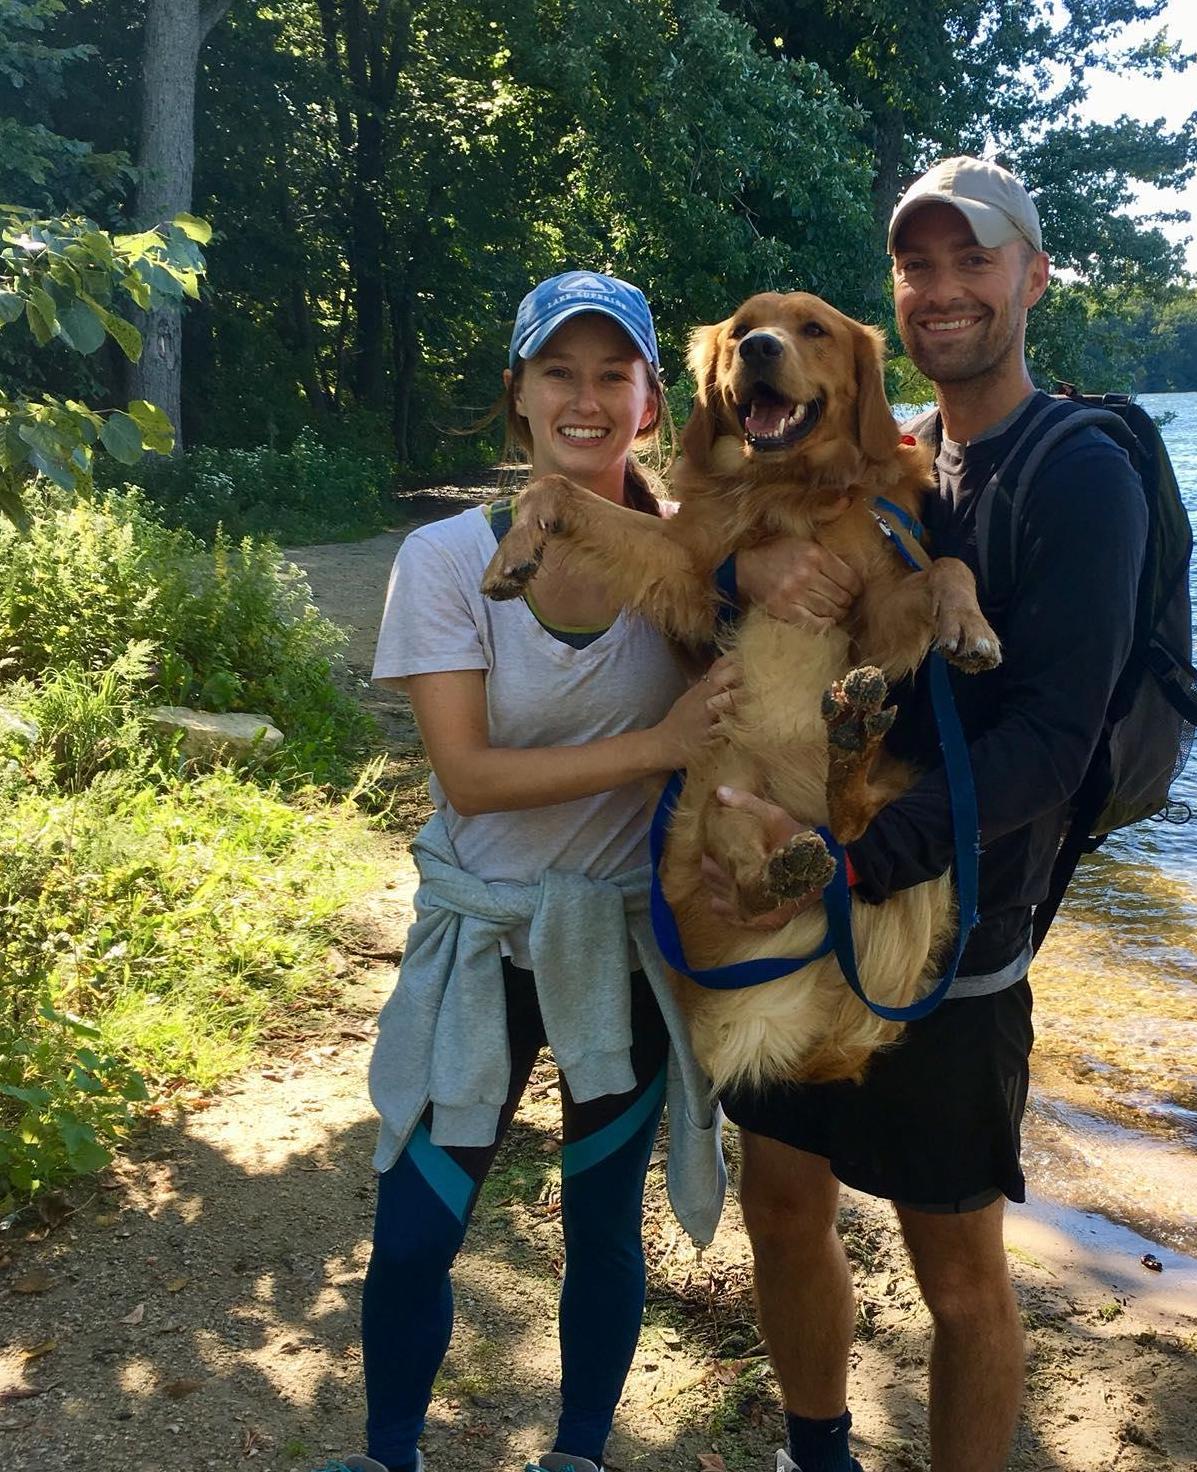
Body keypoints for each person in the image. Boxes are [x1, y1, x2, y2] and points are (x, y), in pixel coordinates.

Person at [713, 157, 1150, 1472]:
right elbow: (754, 579)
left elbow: (1054, 748)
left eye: (974, 259)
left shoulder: (1080, 476)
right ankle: (815, 1452)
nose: (943, 289)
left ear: (1034, 276)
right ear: (893, 292)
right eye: (917, 265)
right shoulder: (900, 457)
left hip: (956, 936)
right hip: (819, 897)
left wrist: (859, 860)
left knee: (955, 1273)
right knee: (781, 1199)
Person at [315, 271, 733, 1472]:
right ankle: (389, 1452)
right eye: (559, 372)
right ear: (518, 394)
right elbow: (468, 777)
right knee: (413, 1229)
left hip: (624, 940)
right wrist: (659, 744)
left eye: (614, 374)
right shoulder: (447, 555)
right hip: (483, 938)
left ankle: (576, 1453)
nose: (585, 398)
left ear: (652, 402)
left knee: (602, 1223)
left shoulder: (694, 561)